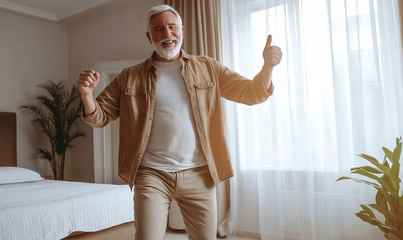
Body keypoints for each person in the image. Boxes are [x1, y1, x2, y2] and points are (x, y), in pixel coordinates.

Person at [77, 4, 282, 240]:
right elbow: (99, 116)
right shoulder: (129, 77)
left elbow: (252, 93)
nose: (167, 34)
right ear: (149, 36)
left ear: (182, 30)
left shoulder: (209, 68)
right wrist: (86, 95)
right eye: (159, 29)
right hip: (152, 175)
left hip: (199, 172)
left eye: (172, 27)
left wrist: (268, 67)